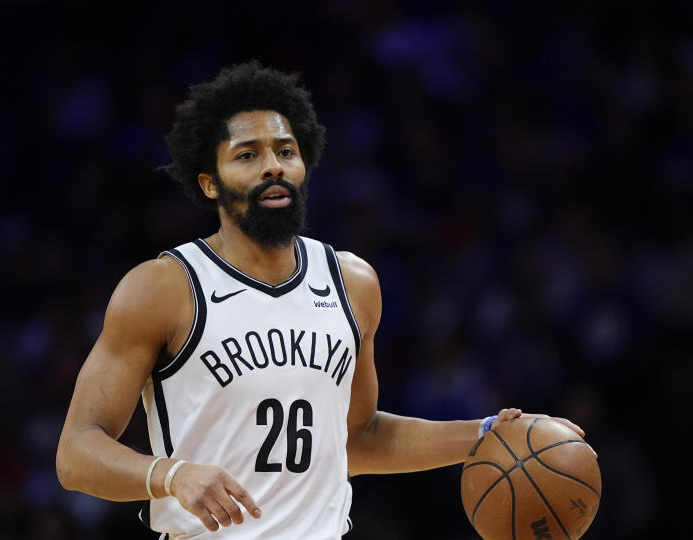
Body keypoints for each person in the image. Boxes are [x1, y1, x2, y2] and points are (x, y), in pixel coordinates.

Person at [55, 61, 586, 539]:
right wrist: (170, 474)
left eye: (286, 151)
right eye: (248, 155)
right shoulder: (163, 287)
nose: (273, 166)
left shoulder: (352, 283)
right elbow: (76, 453)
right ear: (209, 184)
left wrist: (483, 434)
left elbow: (356, 440)